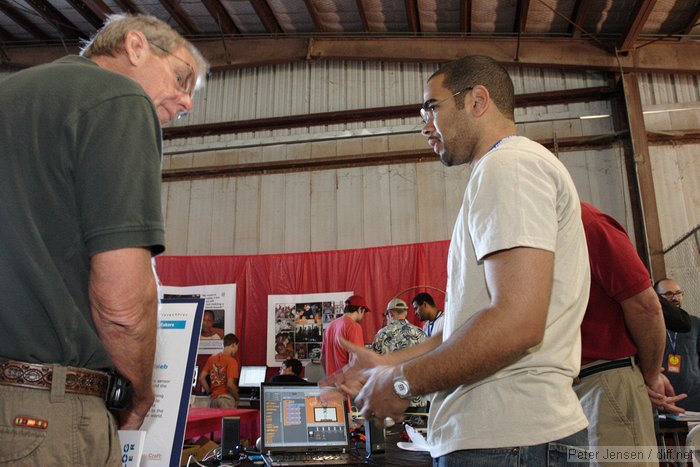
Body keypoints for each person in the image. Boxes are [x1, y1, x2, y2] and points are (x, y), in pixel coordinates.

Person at [327, 55, 591, 465]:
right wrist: (388, 363)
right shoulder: (502, 169)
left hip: (508, 437)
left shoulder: (509, 166)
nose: (424, 124)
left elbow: (516, 323)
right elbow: (463, 328)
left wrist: (399, 383)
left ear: (477, 100)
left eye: (432, 107)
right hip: (506, 438)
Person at [0, 14, 206, 466]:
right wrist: (138, 392)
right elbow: (122, 305)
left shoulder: (14, 98)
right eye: (181, 77)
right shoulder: (118, 98)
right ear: (135, 46)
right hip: (40, 415)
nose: (187, 102)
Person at [575, 203, 685, 464]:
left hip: (603, 382)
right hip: (576, 386)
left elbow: (647, 307)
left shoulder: (587, 223)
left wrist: (648, 375)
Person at [372, 298, 427, 411]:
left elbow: (374, 365)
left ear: (390, 314)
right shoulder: (420, 333)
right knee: (417, 428)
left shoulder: (382, 334)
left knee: (392, 429)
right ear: (405, 313)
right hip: (417, 398)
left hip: (391, 400)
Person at [658, 278, 700, 411]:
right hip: (663, 396)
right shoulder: (651, 326)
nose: (675, 298)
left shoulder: (695, 323)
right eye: (669, 294)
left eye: (678, 293)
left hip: (694, 396)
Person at [320, 295, 370, 377]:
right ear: (360, 309)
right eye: (364, 312)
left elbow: (322, 357)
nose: (364, 315)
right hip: (346, 384)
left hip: (331, 383)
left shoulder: (330, 326)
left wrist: (329, 377)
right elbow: (356, 359)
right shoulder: (354, 326)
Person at [199, 334, 241, 408]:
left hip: (213, 400)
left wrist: (210, 391)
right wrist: (237, 398)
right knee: (228, 420)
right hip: (226, 399)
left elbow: (201, 378)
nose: (237, 350)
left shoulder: (212, 358)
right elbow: (230, 385)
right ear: (233, 345)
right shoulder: (232, 361)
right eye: (237, 346)